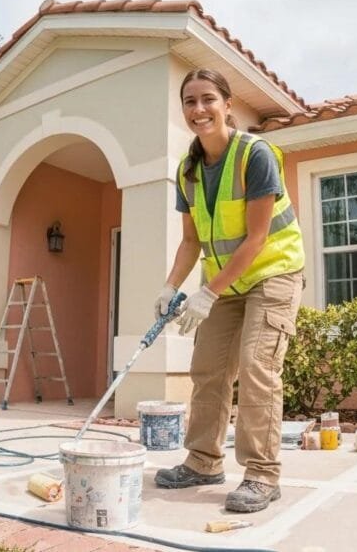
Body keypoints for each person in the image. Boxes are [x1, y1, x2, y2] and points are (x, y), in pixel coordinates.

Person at [153, 68, 305, 513]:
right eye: (189, 101)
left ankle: (261, 475)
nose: (198, 110)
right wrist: (169, 287)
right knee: (207, 370)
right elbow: (191, 240)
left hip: (273, 273)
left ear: (227, 105)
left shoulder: (254, 155)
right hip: (225, 284)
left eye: (207, 99)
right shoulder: (189, 170)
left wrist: (206, 293)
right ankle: (203, 462)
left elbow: (256, 239)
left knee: (256, 366)